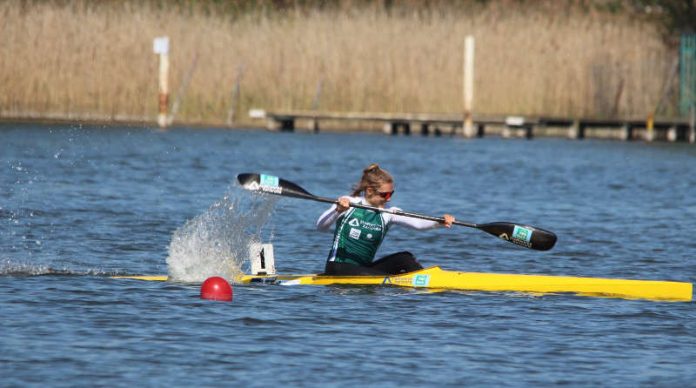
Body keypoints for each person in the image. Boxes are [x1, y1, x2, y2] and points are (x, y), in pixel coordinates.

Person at [316, 163, 455, 276]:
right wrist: (337, 210)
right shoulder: (348, 203)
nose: (389, 198)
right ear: (370, 191)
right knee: (382, 282)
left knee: (404, 258)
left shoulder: (388, 213)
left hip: (363, 269)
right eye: (385, 195)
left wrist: (439, 221)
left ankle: (424, 280)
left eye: (391, 194)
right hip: (338, 268)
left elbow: (418, 224)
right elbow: (321, 227)